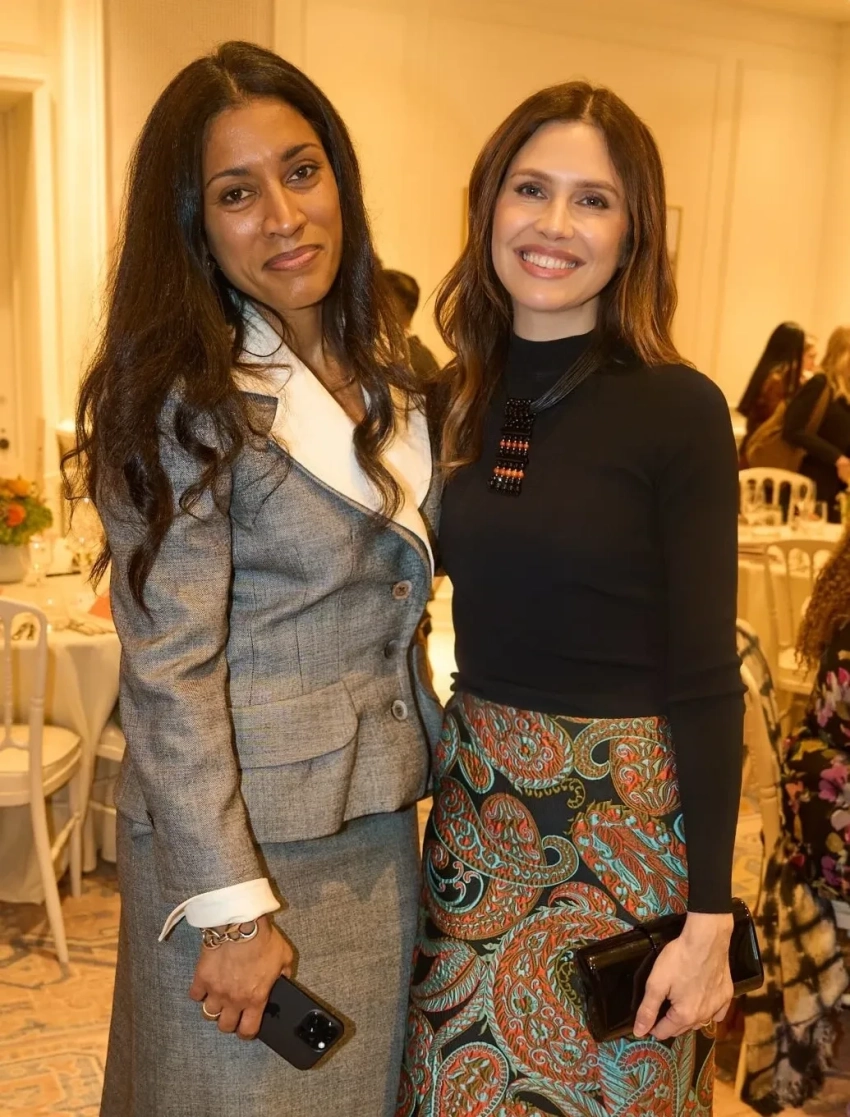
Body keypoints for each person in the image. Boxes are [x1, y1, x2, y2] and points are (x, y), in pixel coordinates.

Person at [68, 41, 441, 1117]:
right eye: (237, 193)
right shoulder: (178, 394)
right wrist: (230, 910)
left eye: (302, 171)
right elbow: (168, 672)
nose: (284, 215)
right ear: (193, 222)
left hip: (373, 822)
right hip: (239, 849)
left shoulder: (387, 366)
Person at [397, 81, 743, 1117]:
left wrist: (711, 916)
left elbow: (706, 681)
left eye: (592, 200)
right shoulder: (447, 396)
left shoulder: (678, 408)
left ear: (632, 233)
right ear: (487, 206)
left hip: (627, 838)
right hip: (476, 824)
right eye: (530, 189)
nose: (554, 224)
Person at [783, 326, 850, 520]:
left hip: (839, 485)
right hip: (813, 479)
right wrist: (837, 458)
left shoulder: (845, 392)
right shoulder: (820, 384)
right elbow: (793, 429)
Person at [737, 322, 806, 467]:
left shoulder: (765, 371)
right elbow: (775, 420)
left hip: (752, 446)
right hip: (763, 450)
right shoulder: (779, 378)